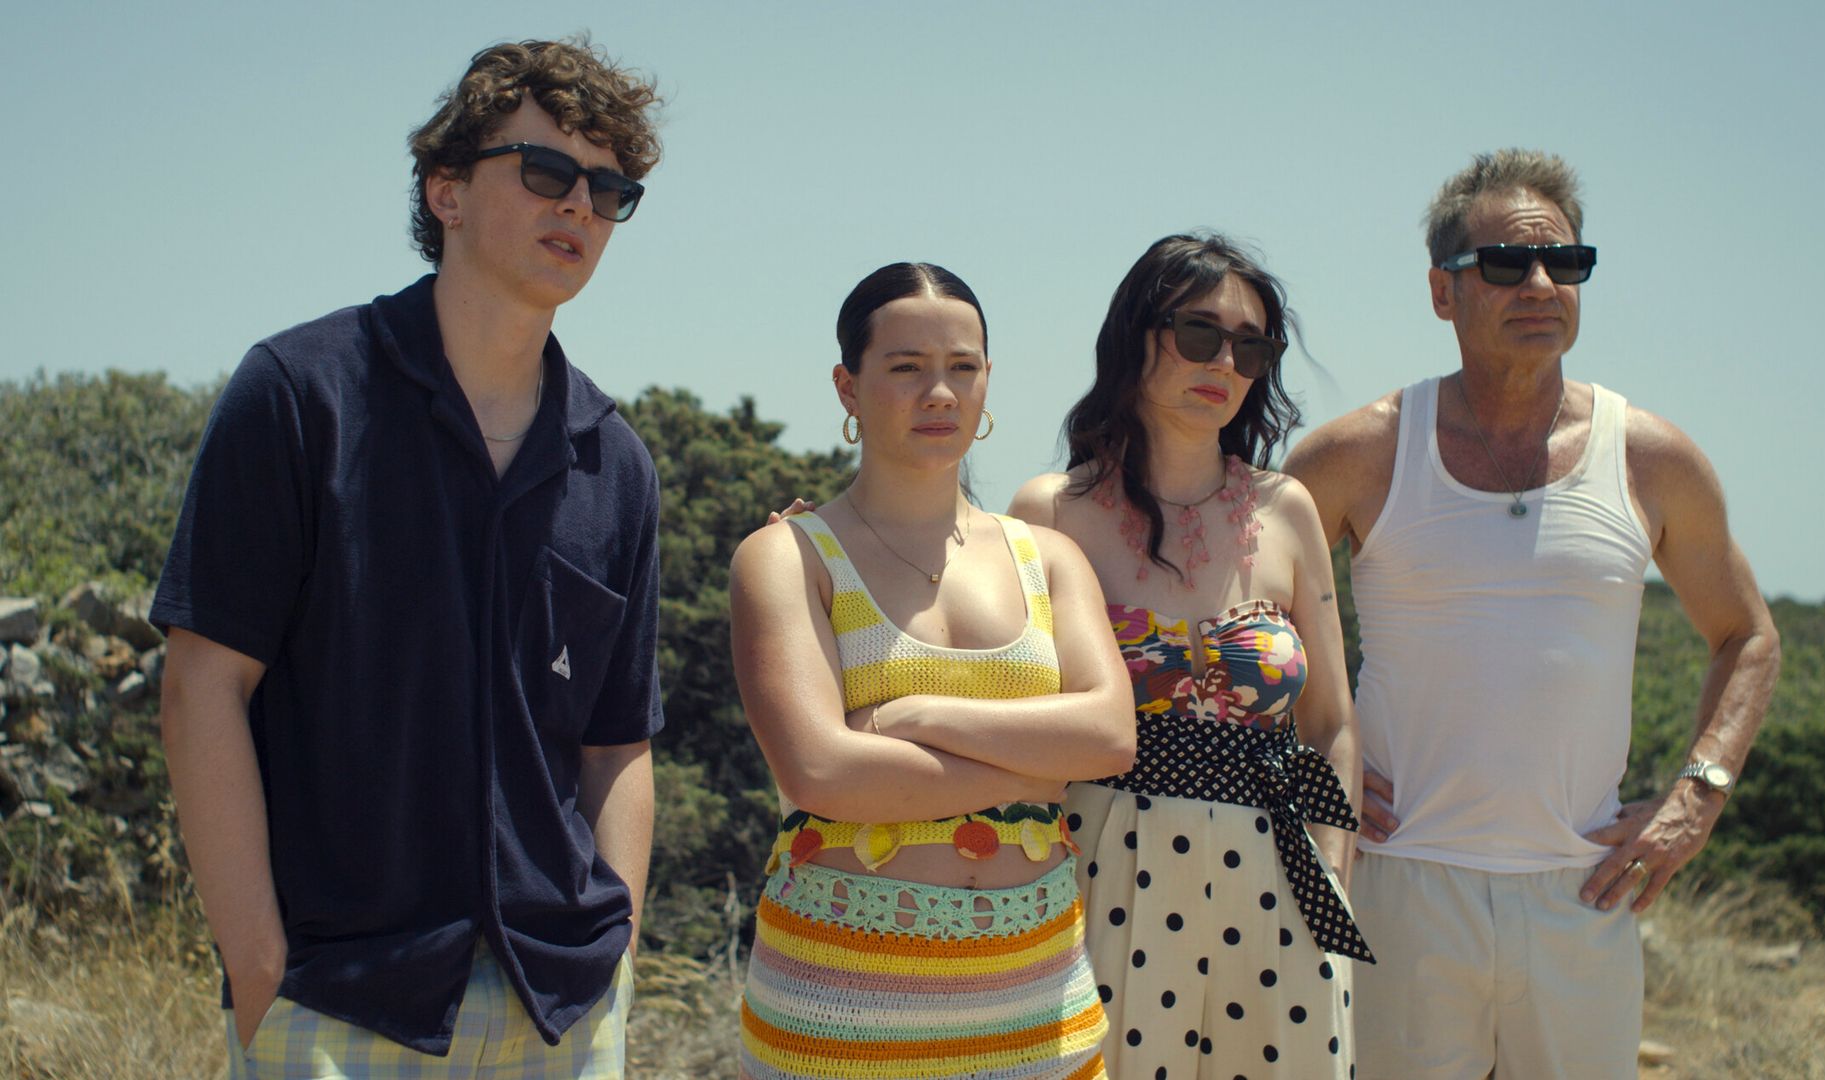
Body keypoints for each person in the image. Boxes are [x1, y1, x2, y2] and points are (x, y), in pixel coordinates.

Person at [153, 39, 664, 1077]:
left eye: (608, 190)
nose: (579, 206)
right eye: (546, 172)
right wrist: (255, 957)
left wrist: (617, 953)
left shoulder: (615, 464)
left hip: (559, 1009)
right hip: (339, 1004)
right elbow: (203, 682)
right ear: (447, 191)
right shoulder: (299, 396)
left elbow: (617, 748)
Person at [1283, 149, 1782, 1079]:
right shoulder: (1362, 452)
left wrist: (1696, 798)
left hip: (1583, 890)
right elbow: (1232, 618)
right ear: (1444, 292)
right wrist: (1300, 760)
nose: (1541, 285)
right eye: (1506, 266)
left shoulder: (1652, 459)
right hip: (1398, 881)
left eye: (1567, 263)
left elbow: (1747, 636)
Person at [728, 262, 1137, 1079]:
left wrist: (915, 717)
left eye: (963, 367)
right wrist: (1033, 770)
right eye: (906, 368)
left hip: (1039, 1003)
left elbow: (1109, 737)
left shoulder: (1049, 559)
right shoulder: (785, 557)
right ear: (848, 387)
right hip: (836, 1006)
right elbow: (821, 772)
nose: (940, 393)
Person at [1010, 234, 1372, 1079]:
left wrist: (1333, 877)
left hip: (1284, 876)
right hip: (1101, 863)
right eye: (1200, 333)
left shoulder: (1289, 510)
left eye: (1253, 346)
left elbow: (1332, 725)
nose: (1227, 362)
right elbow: (1018, 711)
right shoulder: (1050, 511)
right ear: (1137, 333)